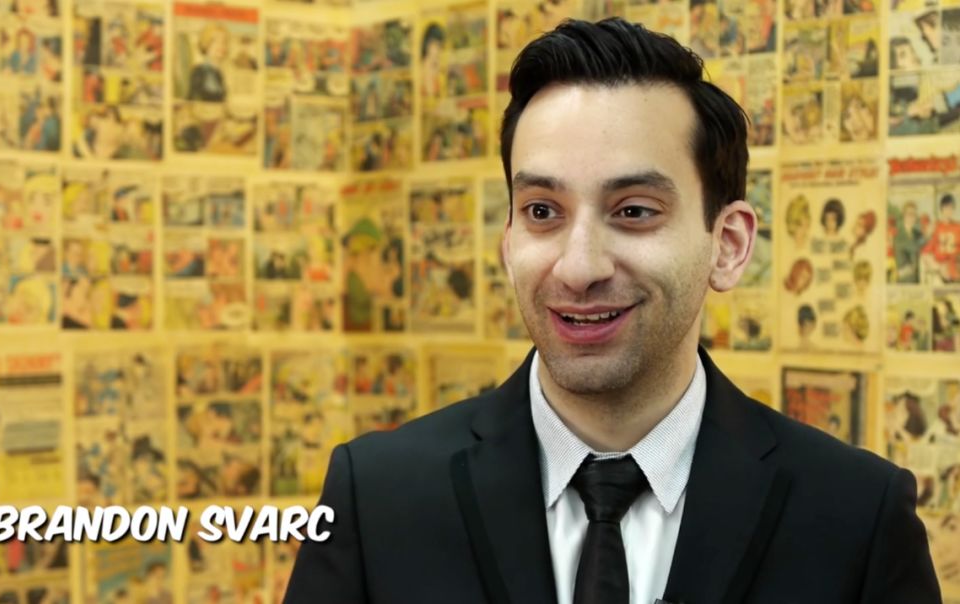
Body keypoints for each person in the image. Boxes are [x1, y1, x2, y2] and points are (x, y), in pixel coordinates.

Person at [285, 18, 939, 604]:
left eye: (633, 211)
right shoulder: (375, 497)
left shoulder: (858, 517)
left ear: (729, 245)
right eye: (543, 211)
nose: (579, 267)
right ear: (508, 241)